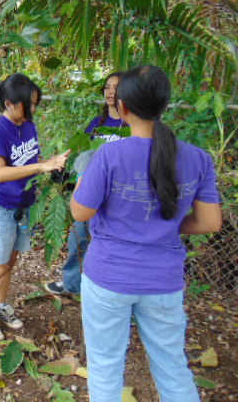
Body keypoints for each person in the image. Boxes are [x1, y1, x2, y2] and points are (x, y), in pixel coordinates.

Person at [71, 66, 222, 402]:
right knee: (173, 366)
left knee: (105, 366)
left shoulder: (109, 154)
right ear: (164, 104)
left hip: (109, 277)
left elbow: (81, 212)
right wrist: (165, 226)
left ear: (122, 107)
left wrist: (81, 180)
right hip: (164, 280)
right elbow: (210, 222)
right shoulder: (198, 158)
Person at [0, 73, 69, 341]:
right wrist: (41, 166)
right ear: (9, 104)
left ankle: (0, 304)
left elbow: (31, 159)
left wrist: (52, 163)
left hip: (23, 204)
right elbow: (0, 173)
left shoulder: (29, 126)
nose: (33, 109)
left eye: (36, 104)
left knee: (9, 262)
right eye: (29, 104)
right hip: (0, 207)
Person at [45, 71, 125, 295]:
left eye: (117, 87)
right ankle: (72, 284)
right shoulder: (97, 123)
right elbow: (81, 153)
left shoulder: (131, 125)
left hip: (118, 196)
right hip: (91, 192)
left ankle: (108, 289)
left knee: (112, 245)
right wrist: (62, 168)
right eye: (107, 87)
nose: (111, 92)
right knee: (78, 236)